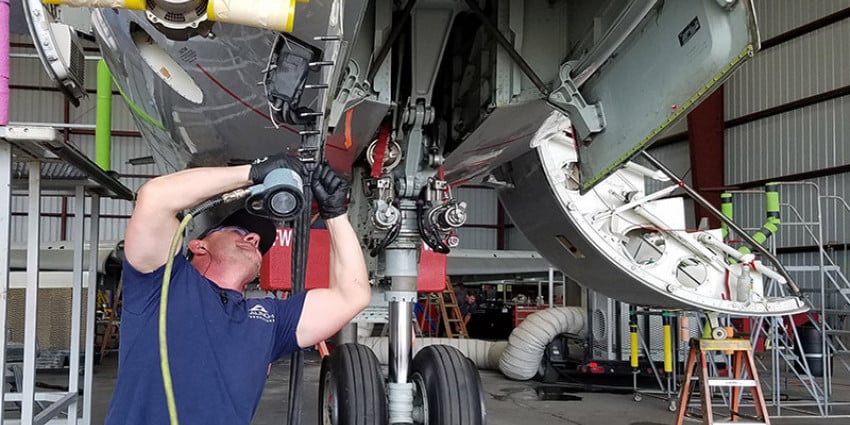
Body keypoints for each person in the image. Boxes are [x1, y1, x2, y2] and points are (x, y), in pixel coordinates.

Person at [105, 156, 371, 425]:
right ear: (199, 245)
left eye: (259, 242)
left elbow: (352, 295)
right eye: (238, 230)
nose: (254, 238)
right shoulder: (160, 284)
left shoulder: (270, 319)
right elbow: (155, 197)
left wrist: (336, 214)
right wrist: (252, 172)